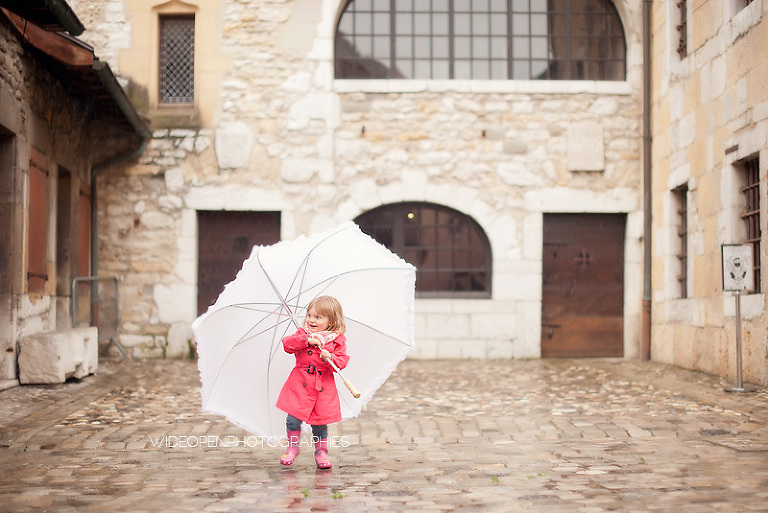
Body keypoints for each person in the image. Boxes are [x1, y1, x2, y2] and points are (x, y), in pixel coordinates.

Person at [276, 295, 350, 469]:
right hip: (300, 384)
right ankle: (293, 446)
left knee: (319, 422)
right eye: (310, 315)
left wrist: (329, 356)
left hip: (322, 387)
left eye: (318, 317)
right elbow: (287, 345)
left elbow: (341, 362)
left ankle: (321, 451)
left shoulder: (337, 340)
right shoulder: (302, 334)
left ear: (331, 321)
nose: (311, 320)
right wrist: (306, 340)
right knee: (292, 419)